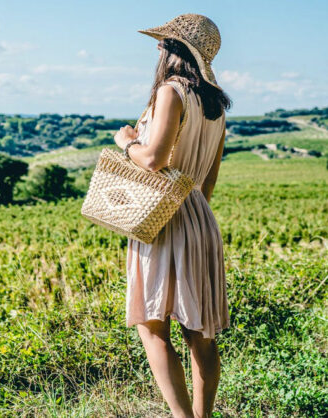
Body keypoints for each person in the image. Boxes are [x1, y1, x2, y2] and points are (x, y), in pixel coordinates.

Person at [112, 14, 232, 418]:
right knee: (200, 333)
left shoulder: (171, 92)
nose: (158, 48)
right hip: (199, 215)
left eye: (163, 43)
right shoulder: (216, 104)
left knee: (152, 325)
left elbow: (153, 159)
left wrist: (127, 141)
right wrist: (194, 214)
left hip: (163, 216)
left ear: (172, 49)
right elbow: (209, 182)